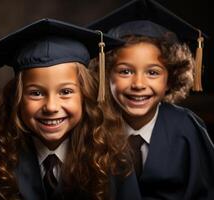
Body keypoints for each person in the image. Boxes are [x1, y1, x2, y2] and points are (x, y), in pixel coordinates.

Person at [0, 18, 141, 200]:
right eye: (36, 93)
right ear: (16, 99)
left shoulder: (112, 156)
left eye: (65, 92)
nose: (51, 107)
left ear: (86, 96)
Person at [87, 0, 214, 199]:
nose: (138, 84)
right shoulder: (93, 127)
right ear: (105, 73)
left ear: (171, 78)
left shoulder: (187, 128)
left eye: (153, 72)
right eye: (125, 71)